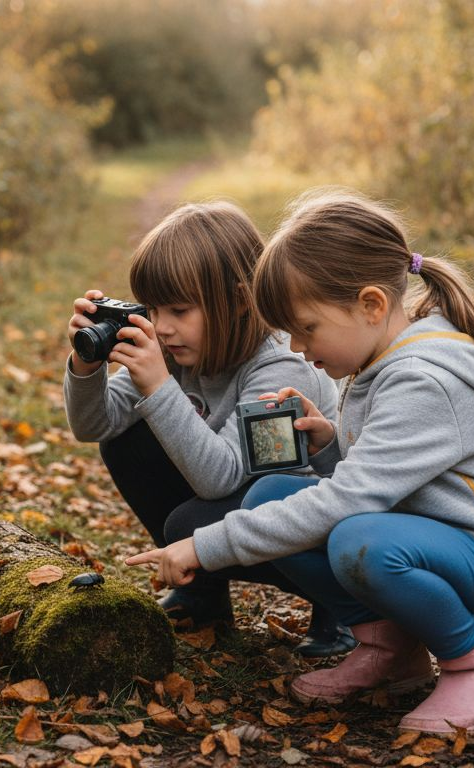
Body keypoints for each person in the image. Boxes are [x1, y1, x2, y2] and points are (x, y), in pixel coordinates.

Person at [126, 190, 474, 733]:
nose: (297, 346)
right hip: (445, 548)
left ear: (372, 305)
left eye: (307, 327)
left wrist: (206, 544)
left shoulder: (422, 379)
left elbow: (352, 500)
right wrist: (331, 441)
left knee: (359, 540)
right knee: (271, 495)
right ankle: (389, 649)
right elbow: (399, 477)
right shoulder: (383, 361)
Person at [65, 200, 355, 657]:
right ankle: (203, 597)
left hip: (313, 519)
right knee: (125, 441)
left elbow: (221, 477)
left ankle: (343, 605)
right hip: (243, 501)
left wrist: (159, 387)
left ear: (240, 300)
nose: (161, 328)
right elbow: (95, 424)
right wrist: (86, 365)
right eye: (154, 309)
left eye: (179, 310)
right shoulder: (178, 349)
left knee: (188, 523)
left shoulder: (280, 365)